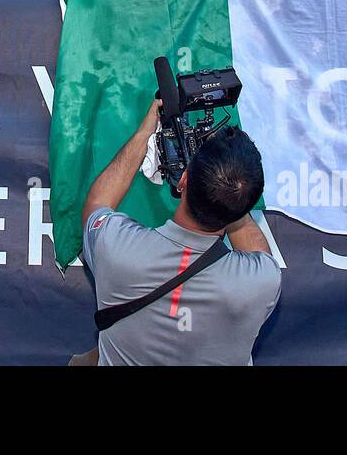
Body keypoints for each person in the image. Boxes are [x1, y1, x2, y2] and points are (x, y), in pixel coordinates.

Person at [81, 99, 281, 366]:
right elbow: (258, 253)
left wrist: (144, 133)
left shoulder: (115, 247)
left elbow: (97, 205)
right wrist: (229, 194)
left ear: (183, 180)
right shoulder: (262, 282)